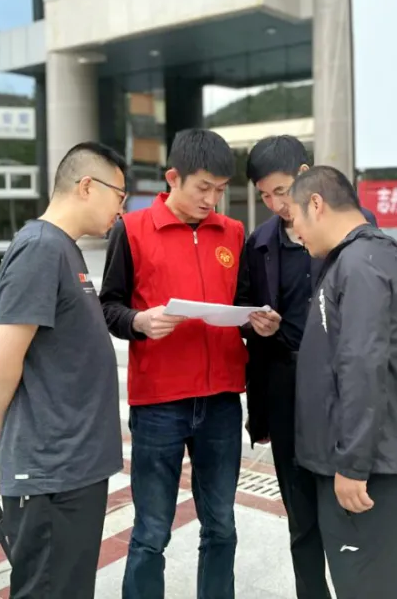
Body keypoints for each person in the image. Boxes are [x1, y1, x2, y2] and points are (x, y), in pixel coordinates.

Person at [100, 128, 280, 599]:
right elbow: (108, 306)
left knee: (221, 525)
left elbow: (241, 304)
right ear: (173, 178)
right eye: (203, 188)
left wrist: (255, 323)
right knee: (151, 530)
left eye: (219, 190)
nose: (211, 200)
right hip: (159, 402)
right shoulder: (132, 230)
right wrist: (139, 321)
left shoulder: (233, 233)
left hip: (221, 400)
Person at [0, 141, 129, 599]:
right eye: (119, 196)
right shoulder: (40, 248)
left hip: (73, 465)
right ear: (87, 186)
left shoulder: (64, 249)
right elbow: (1, 364)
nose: (122, 209)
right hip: (52, 471)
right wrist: (3, 428)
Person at [286, 166, 397, 599]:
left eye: (294, 218)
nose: (295, 233)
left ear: (316, 204)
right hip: (359, 459)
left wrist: (353, 465)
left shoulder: (361, 263)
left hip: (372, 467)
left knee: (371, 586)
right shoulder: (353, 259)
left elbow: (362, 363)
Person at [236, 136, 374, 599]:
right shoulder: (260, 242)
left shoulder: (354, 231)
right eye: (264, 196)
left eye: (280, 191)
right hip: (286, 389)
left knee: (350, 517)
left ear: (304, 174)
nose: (276, 204)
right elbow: (244, 309)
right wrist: (258, 325)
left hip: (338, 390)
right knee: (300, 517)